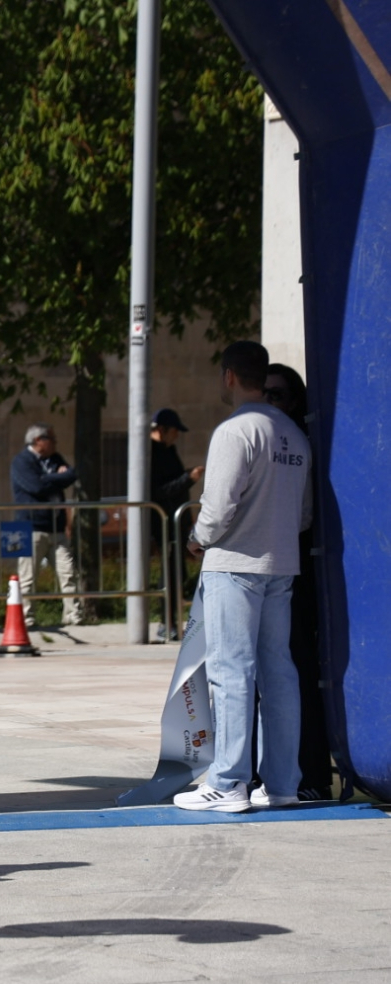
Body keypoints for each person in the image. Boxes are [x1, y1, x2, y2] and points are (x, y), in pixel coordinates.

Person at [175, 342, 312, 813]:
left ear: (229, 376)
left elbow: (216, 509)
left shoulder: (235, 431)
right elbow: (304, 512)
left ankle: (230, 781)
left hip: (235, 564)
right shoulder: (293, 434)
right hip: (281, 564)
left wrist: (197, 538)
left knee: (231, 671)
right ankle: (281, 784)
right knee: (278, 673)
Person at [263, 364, 331, 800]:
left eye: (280, 395)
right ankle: (266, 773)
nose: (272, 403)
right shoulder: (258, 440)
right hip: (266, 568)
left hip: (296, 570)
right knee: (253, 674)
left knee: (295, 667)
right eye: (265, 394)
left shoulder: (299, 445)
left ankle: (308, 775)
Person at [10, 423, 82, 627]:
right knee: (28, 577)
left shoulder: (55, 458)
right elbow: (35, 486)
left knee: (68, 573)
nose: (56, 444)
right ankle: (26, 618)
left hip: (57, 526)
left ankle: (73, 615)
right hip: (32, 527)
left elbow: (71, 474)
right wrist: (58, 477)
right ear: (39, 441)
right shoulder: (21, 461)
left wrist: (54, 478)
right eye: (52, 439)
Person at [150, 409, 203, 545]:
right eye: (174, 431)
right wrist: (188, 478)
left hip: (176, 521)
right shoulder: (152, 453)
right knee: (171, 562)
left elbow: (175, 480)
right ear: (162, 430)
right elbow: (158, 490)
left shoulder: (169, 450)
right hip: (163, 522)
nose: (177, 435)